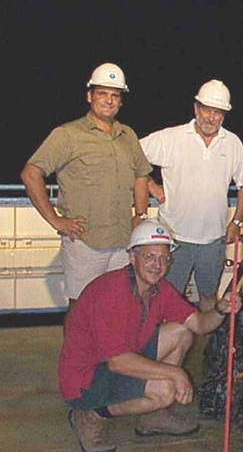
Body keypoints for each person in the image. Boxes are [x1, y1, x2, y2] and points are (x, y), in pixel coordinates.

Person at [59, 218, 243, 452]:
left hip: (118, 360)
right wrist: (175, 373)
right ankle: (90, 415)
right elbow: (118, 362)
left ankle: (152, 416)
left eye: (164, 258)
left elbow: (198, 324)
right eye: (150, 257)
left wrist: (220, 309)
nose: (158, 264)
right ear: (132, 257)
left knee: (181, 332)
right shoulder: (112, 292)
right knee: (165, 390)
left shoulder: (159, 289)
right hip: (86, 379)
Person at [20, 63, 151, 316]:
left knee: (117, 306)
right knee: (81, 308)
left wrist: (141, 215)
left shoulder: (128, 135)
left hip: (122, 241)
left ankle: (110, 356)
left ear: (121, 102)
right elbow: (31, 173)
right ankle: (76, 357)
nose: (109, 101)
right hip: (85, 241)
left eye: (115, 95)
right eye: (102, 93)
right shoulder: (67, 135)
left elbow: (141, 175)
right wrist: (56, 220)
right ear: (89, 96)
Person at [139, 79, 243, 311]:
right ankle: (162, 344)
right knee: (166, 297)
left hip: (214, 239)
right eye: (206, 110)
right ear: (196, 108)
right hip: (174, 238)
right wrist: (153, 187)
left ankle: (209, 342)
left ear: (224, 115)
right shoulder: (170, 138)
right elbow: (133, 156)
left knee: (208, 296)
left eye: (217, 112)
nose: (210, 117)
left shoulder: (233, 143)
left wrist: (237, 221)